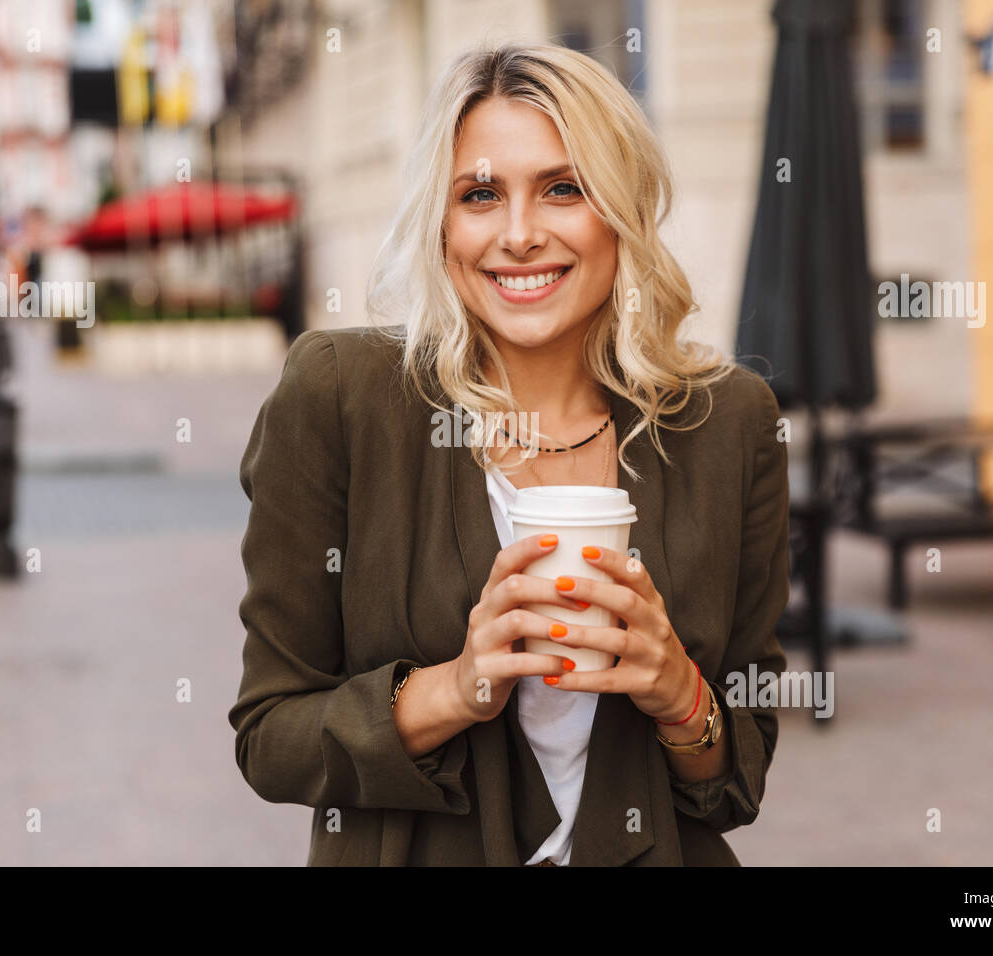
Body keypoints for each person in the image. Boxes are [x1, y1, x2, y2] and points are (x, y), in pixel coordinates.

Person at [229, 42, 789, 866]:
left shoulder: (727, 423)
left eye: (563, 189)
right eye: (482, 194)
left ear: (620, 209)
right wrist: (455, 688)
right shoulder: (344, 398)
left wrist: (679, 692)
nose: (520, 235)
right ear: (444, 223)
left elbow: (737, 777)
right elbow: (270, 736)